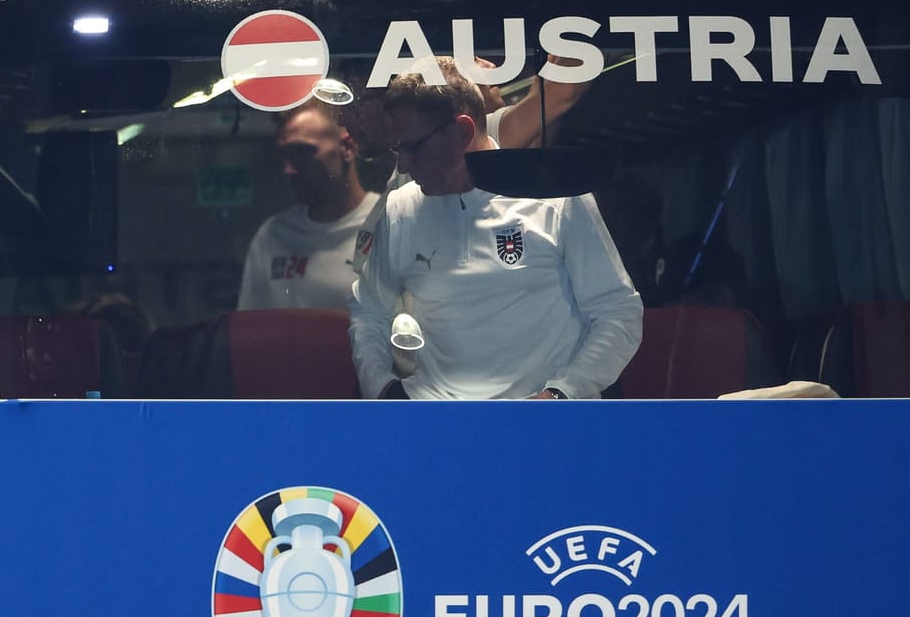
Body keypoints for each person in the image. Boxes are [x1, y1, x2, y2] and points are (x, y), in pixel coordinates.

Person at [348, 57, 642, 399]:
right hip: (438, 425)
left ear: (463, 131)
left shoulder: (556, 197)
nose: (403, 164)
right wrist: (383, 390)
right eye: (398, 148)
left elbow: (618, 312)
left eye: (413, 147)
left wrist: (562, 394)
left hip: (544, 423)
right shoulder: (400, 208)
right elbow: (368, 311)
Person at [237, 98, 383, 312]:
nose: (290, 169)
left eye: (302, 152)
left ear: (347, 147)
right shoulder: (274, 234)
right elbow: (250, 330)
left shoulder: (385, 222)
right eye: (285, 155)